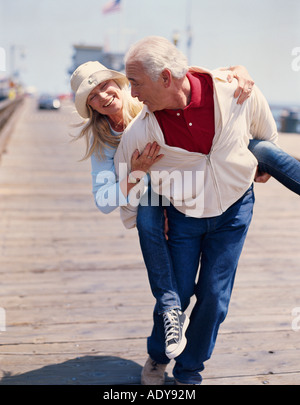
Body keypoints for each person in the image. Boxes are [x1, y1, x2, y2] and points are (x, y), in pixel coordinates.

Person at [114, 35, 299, 385]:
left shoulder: (236, 93)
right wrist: (142, 202)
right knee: (178, 295)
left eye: (136, 83)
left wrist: (256, 168)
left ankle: (189, 372)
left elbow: (264, 136)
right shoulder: (142, 130)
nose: (133, 94)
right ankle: (158, 354)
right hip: (182, 217)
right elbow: (125, 188)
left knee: (215, 298)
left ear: (166, 78)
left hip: (234, 211)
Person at [70, 60, 261, 361]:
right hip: (152, 202)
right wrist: (136, 172)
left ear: (117, 83)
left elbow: (185, 77)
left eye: (104, 85)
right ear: (90, 106)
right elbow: (104, 201)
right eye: (92, 96)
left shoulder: (150, 102)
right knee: (151, 215)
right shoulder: (104, 141)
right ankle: (161, 346)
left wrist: (238, 68)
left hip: (188, 197)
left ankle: (188, 366)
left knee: (212, 295)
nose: (102, 96)